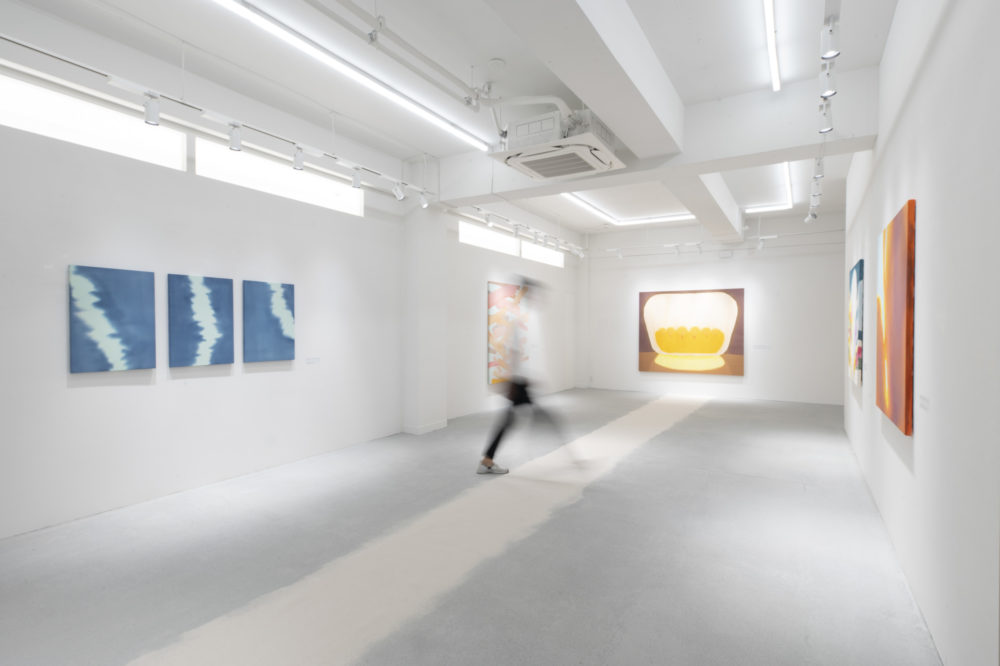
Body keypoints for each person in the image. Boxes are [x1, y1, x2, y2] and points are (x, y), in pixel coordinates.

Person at [478, 277, 559, 474]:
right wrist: (512, 382)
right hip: (519, 381)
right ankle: (487, 460)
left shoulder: (526, 317)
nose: (540, 298)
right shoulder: (520, 317)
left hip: (523, 380)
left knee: (512, 420)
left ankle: (487, 459)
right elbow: (513, 352)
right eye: (536, 294)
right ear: (529, 294)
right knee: (539, 418)